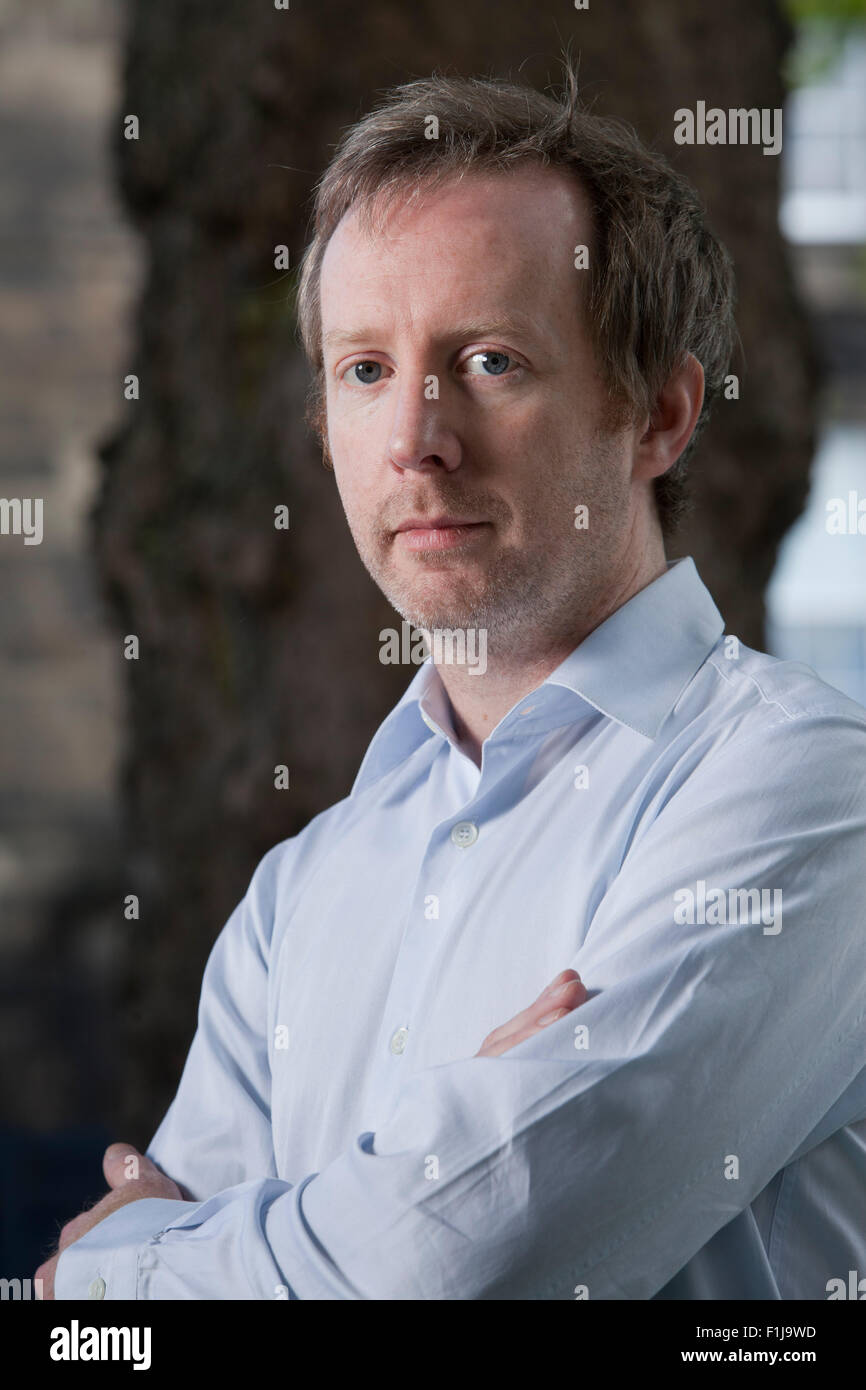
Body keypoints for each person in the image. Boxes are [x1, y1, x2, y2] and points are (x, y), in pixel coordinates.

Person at [40, 67, 866, 1301]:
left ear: (659, 415)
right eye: (365, 370)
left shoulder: (803, 789)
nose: (415, 436)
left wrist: (109, 1267)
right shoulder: (298, 894)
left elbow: (453, 1275)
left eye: (486, 360)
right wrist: (415, 1194)